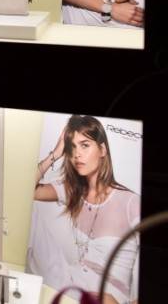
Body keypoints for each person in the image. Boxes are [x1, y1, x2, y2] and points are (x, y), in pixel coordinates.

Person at [34, 115, 140, 304]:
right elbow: (25, 189)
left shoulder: (131, 203)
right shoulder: (73, 191)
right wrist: (56, 153)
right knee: (33, 230)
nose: (77, 154)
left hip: (110, 297)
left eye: (84, 145)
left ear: (102, 150)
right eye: (72, 147)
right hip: (72, 283)